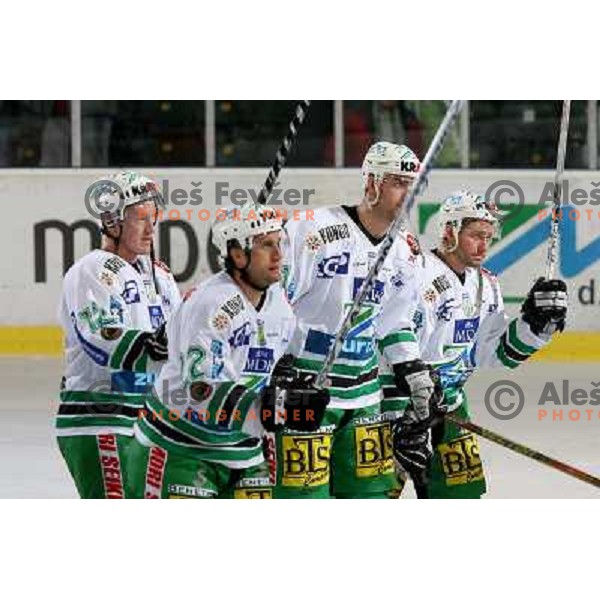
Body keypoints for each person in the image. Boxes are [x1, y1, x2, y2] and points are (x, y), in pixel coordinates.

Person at [125, 203, 330, 499]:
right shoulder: (210, 305)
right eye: (266, 245)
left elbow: (271, 364)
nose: (278, 255)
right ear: (237, 254)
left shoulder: (279, 303)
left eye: (279, 243)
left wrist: (289, 385)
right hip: (180, 448)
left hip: (244, 451)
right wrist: (274, 406)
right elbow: (200, 391)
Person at [259, 141, 427, 499]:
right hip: (307, 392)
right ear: (372, 183)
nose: (408, 194)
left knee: (370, 497)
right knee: (303, 498)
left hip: (364, 396)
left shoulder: (405, 250)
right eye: (399, 182)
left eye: (414, 185)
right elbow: (272, 300)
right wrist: (277, 366)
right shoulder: (312, 230)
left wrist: (410, 366)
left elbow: (394, 322)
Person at [391, 190, 568, 498]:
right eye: (475, 235)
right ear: (449, 231)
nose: (484, 244)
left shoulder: (486, 285)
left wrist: (536, 326)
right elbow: (391, 337)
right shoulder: (416, 274)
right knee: (376, 493)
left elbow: (494, 356)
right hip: (399, 407)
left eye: (488, 236)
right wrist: (413, 401)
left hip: (452, 406)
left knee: (462, 494)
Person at [56, 171, 181, 498]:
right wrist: (146, 344)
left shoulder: (161, 279)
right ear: (112, 221)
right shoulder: (91, 270)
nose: (151, 229)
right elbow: (99, 337)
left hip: (150, 422)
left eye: (153, 219)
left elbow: (181, 342)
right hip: (102, 418)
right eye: (141, 219)